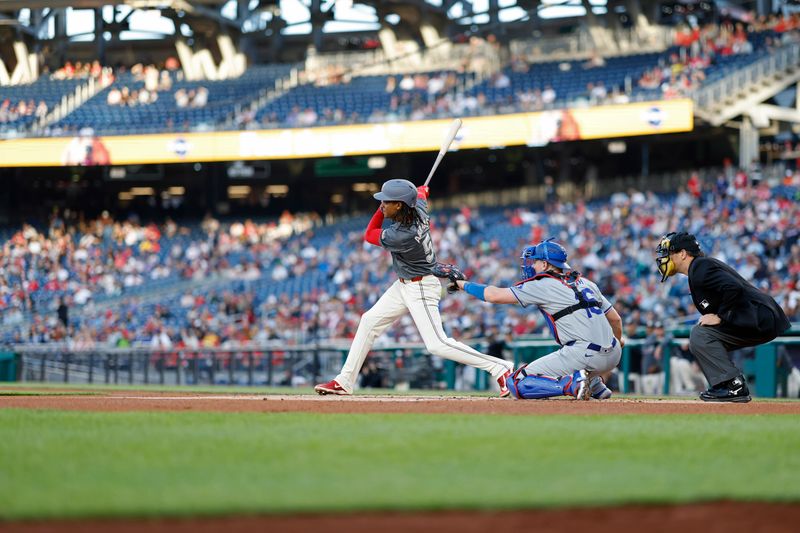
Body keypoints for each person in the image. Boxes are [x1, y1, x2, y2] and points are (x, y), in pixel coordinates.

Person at [314, 179, 513, 396]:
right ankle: (345, 381)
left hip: (421, 286)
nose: (381, 205)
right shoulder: (418, 209)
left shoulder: (401, 235)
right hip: (404, 285)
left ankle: (500, 368)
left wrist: (417, 194)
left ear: (399, 205)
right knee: (369, 321)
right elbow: (420, 197)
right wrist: (420, 193)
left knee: (437, 344)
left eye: (386, 201)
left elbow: (370, 232)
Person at [451, 239, 624, 400]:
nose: (532, 266)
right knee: (577, 350)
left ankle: (572, 385)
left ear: (545, 264)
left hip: (585, 354)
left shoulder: (542, 284)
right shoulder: (586, 283)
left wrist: (461, 284)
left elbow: (494, 296)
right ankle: (594, 384)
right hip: (614, 354)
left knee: (516, 382)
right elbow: (615, 320)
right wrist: (615, 342)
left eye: (535, 262)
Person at [655, 232, 791, 402]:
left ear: (682, 254)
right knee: (702, 336)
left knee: (701, 334)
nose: (664, 258)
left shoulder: (700, 267)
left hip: (759, 315)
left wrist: (721, 316)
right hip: (757, 316)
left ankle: (733, 385)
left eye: (669, 253)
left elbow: (733, 287)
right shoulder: (698, 269)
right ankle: (724, 386)